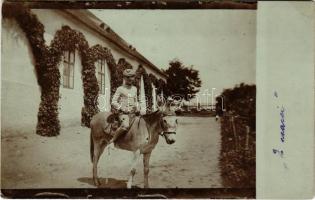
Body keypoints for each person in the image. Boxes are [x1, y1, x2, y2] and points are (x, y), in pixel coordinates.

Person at [108, 68, 140, 145]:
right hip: (123, 113)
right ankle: (113, 141)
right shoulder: (120, 89)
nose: (129, 79)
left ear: (134, 77)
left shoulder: (135, 89)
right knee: (125, 126)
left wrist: (138, 107)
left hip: (133, 113)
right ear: (124, 78)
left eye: (131, 77)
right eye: (127, 77)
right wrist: (122, 108)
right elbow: (113, 102)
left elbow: (136, 100)